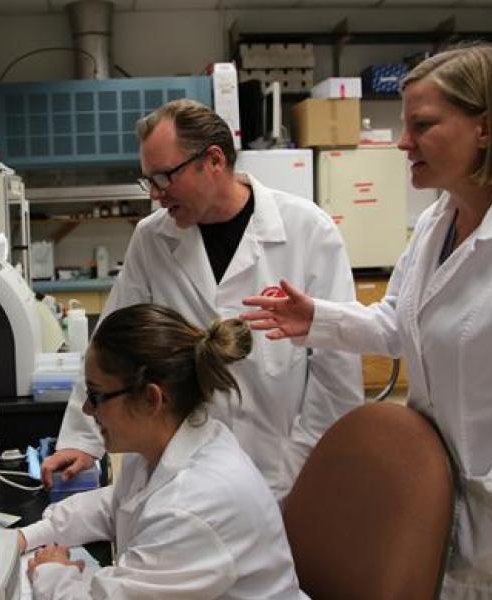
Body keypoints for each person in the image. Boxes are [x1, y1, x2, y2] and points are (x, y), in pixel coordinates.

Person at [242, 43, 492, 599]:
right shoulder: (437, 222)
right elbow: (400, 322)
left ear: (484, 129)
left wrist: (486, 509)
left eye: (422, 125)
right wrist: (315, 318)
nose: (401, 141)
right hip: (449, 526)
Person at [42, 99, 363, 499]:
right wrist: (81, 439)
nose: (156, 195)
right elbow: (110, 343)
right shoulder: (152, 238)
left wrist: (300, 464)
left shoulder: (307, 230)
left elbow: (337, 372)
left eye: (164, 177)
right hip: (178, 468)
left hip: (283, 467)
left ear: (212, 161)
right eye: (149, 180)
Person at [18, 304, 308, 599]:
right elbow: (117, 505)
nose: (87, 409)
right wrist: (29, 535)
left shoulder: (192, 506)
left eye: (96, 395)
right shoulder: (174, 442)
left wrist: (51, 573)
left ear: (150, 399)